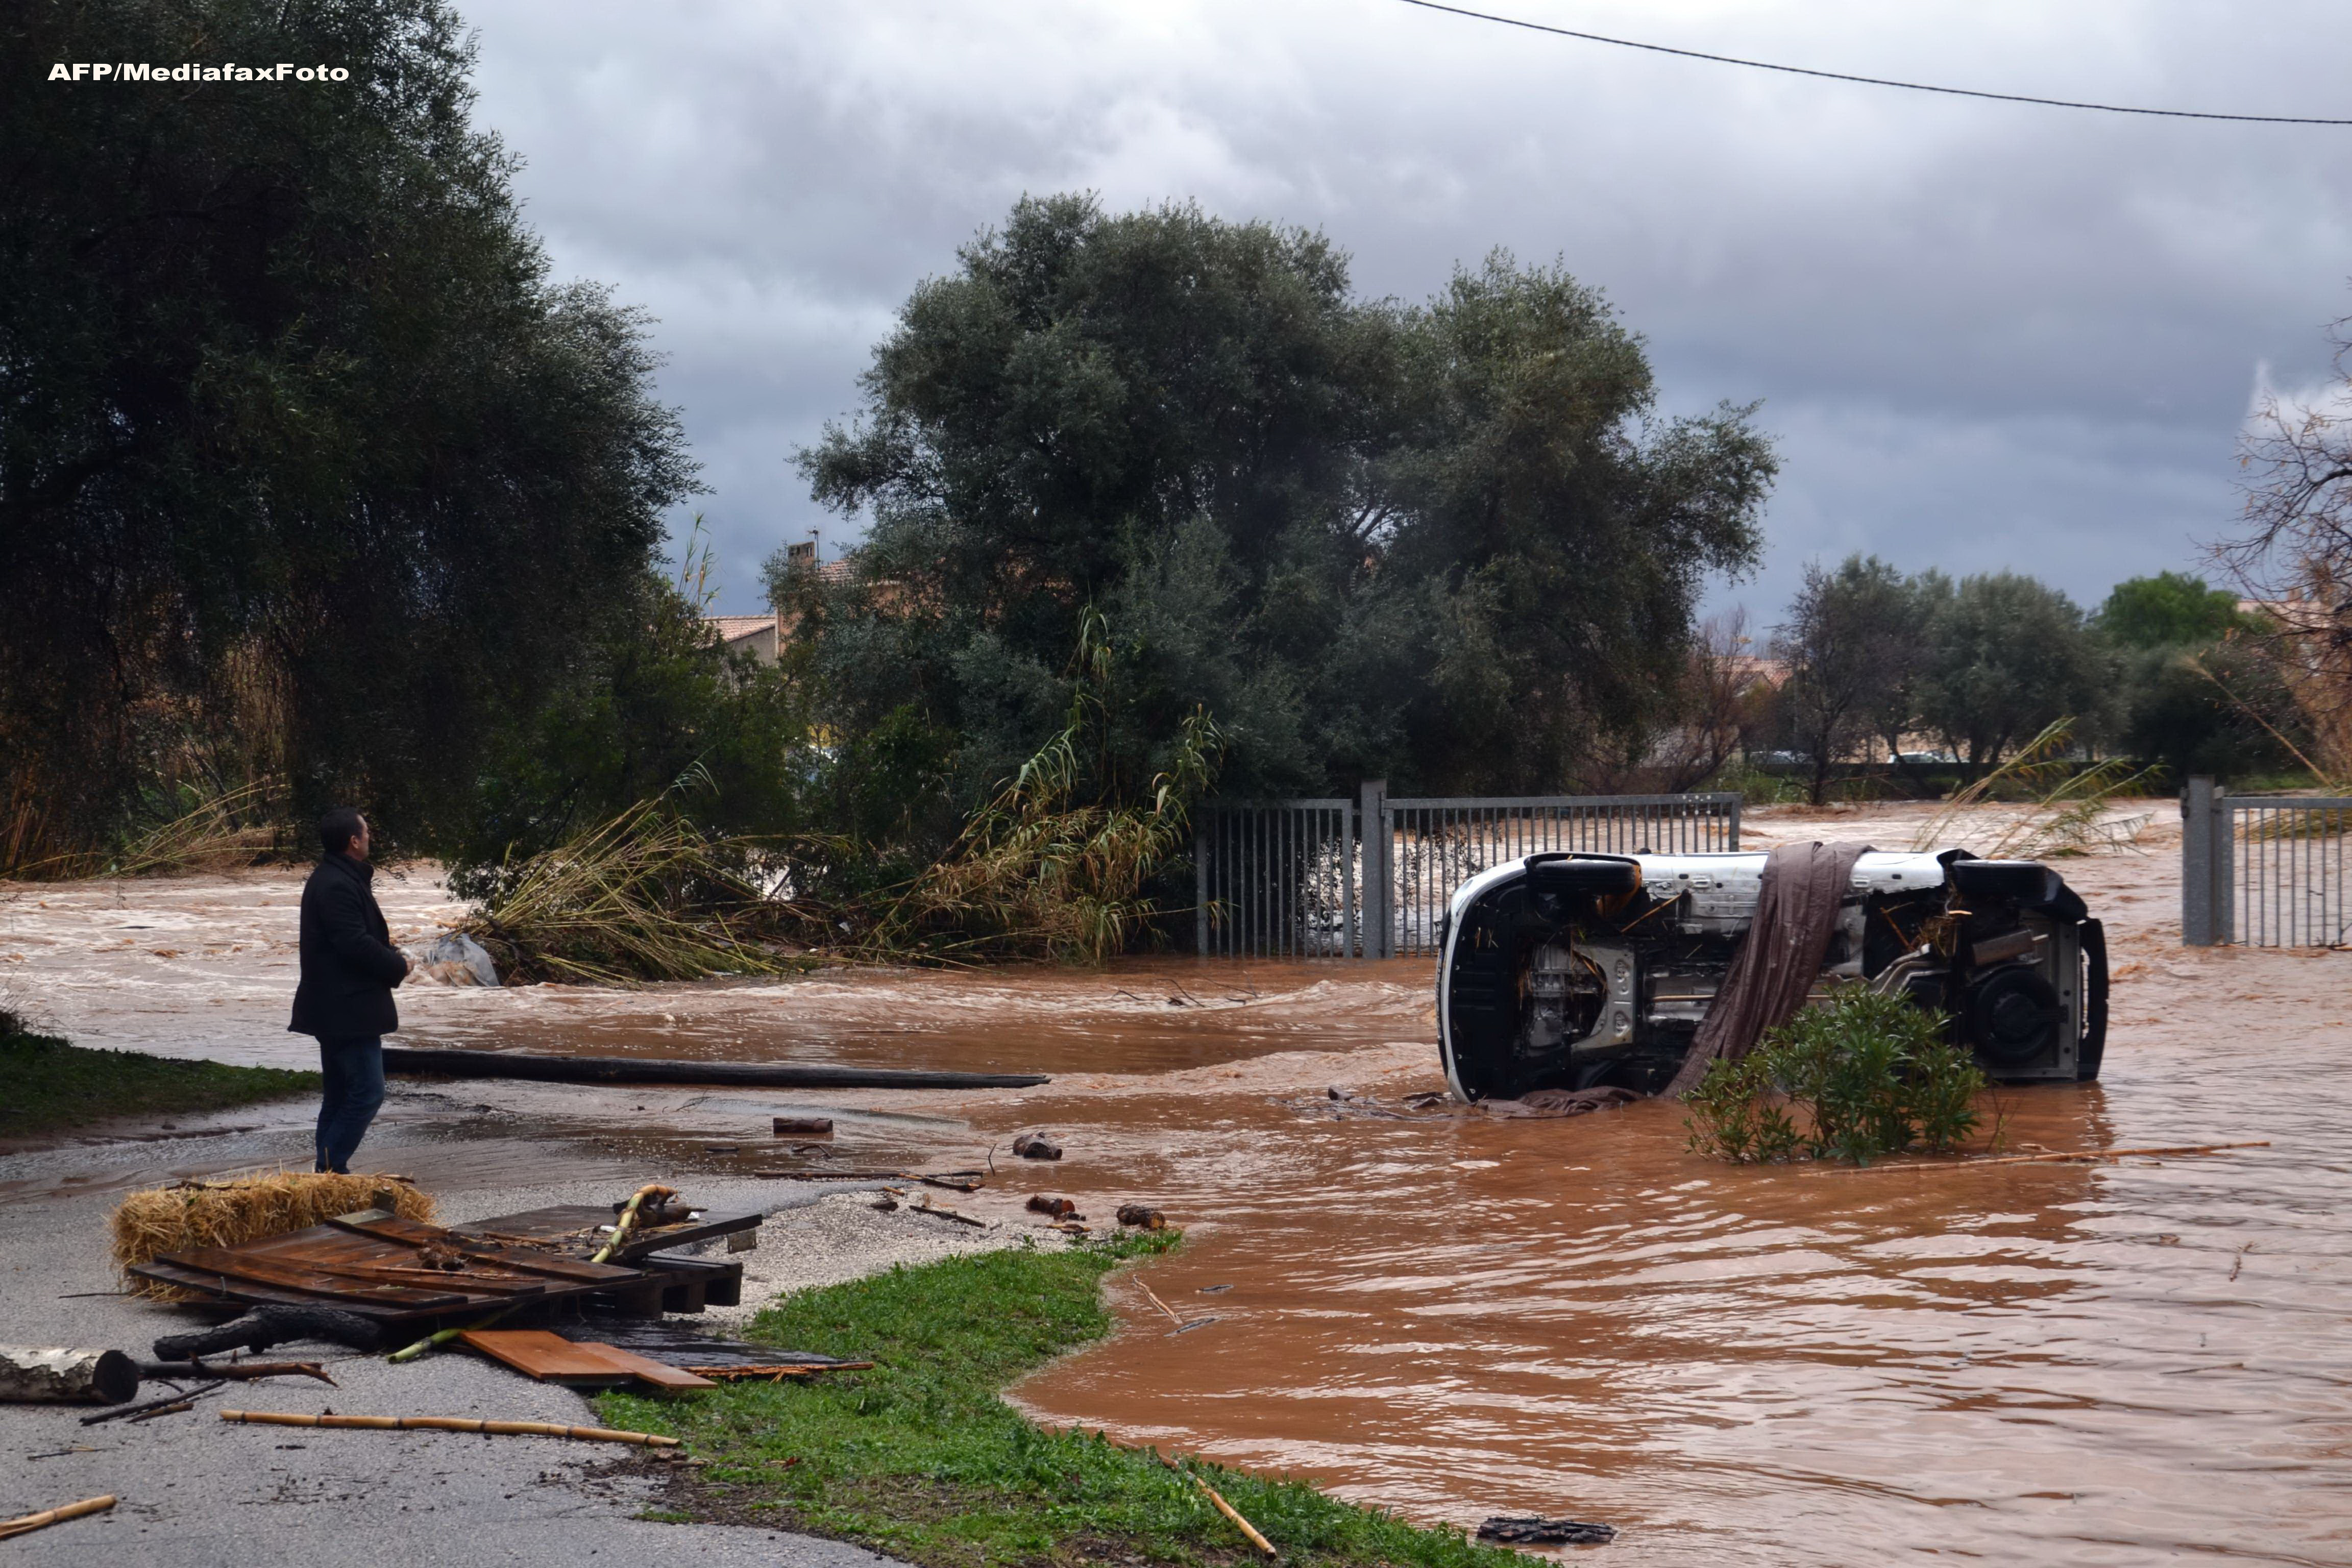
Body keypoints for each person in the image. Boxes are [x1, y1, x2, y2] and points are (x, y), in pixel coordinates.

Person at [289, 806, 410, 1173]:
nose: (371, 837)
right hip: (346, 1009)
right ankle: (331, 1169)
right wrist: (398, 964)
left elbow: (352, 939)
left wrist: (389, 953)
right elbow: (353, 943)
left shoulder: (335, 878)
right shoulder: (337, 884)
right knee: (368, 1093)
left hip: (337, 1007)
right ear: (353, 841)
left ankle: (326, 1175)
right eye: (367, 832)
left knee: (340, 1094)